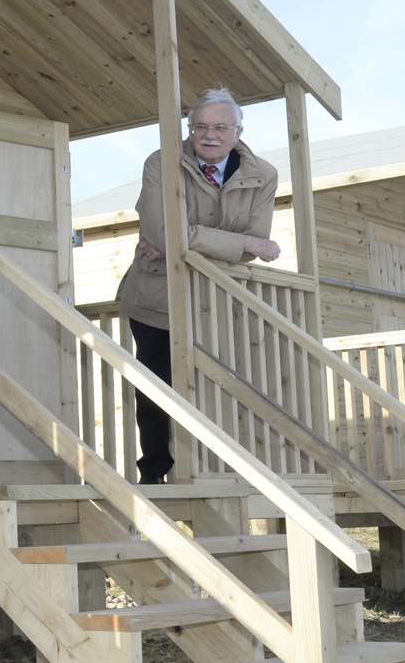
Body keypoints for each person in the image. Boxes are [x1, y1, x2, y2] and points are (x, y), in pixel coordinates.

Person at [114, 88, 281, 484]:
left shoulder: (265, 175)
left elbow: (252, 247)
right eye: (200, 127)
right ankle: (155, 471)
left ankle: (217, 471)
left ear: (238, 131)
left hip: (219, 298)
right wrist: (238, 242)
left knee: (216, 384)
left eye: (221, 127)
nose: (210, 135)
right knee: (155, 385)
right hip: (157, 296)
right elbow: (161, 230)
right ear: (189, 130)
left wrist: (192, 239)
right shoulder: (161, 163)